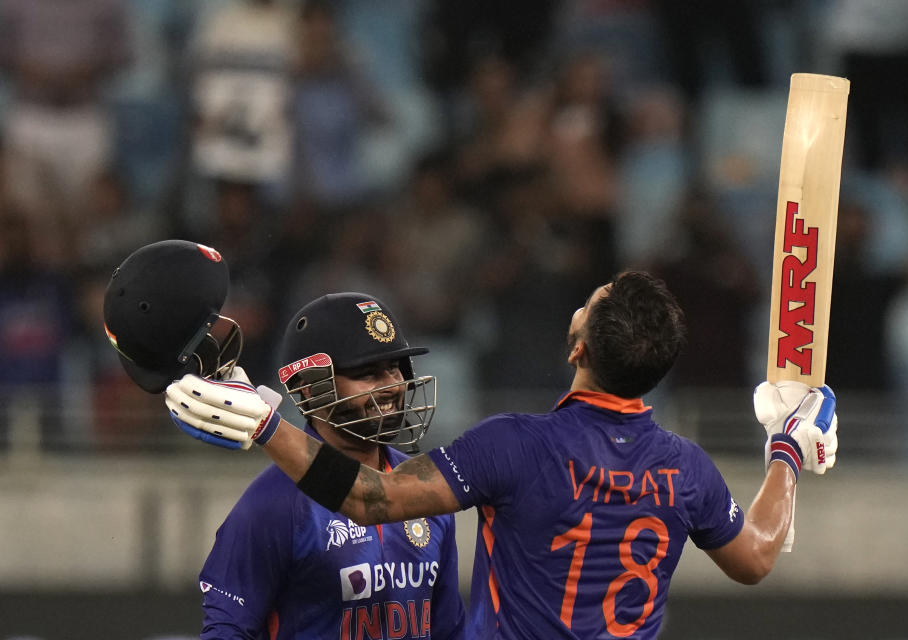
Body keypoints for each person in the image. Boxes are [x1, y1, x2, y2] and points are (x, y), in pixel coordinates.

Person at [164, 270, 838, 639]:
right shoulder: (688, 469)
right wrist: (786, 451)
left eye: (587, 304)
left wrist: (267, 428)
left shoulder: (514, 446)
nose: (392, 386)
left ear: (578, 348)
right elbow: (756, 556)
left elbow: (373, 500)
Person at [104, 241, 466, 638]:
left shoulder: (424, 491)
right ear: (310, 389)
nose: (392, 386)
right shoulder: (271, 507)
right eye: (369, 373)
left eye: (396, 369)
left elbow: (448, 630)